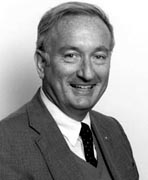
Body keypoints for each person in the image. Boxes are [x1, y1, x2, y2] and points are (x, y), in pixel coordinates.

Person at [0, 2, 139, 180]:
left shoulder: (113, 130)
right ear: (42, 64)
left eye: (99, 57)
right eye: (71, 56)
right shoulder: (5, 144)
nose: (87, 73)